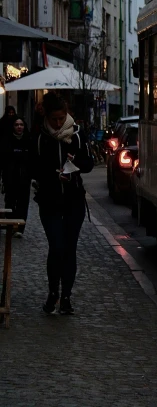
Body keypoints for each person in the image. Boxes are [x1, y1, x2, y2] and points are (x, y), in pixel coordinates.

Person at [31, 92, 94, 316]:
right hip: (49, 201)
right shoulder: (40, 137)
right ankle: (52, 292)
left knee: (69, 249)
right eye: (54, 119)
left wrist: (73, 164)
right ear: (46, 117)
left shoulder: (76, 135)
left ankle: (66, 296)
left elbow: (89, 163)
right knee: (56, 247)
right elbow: (34, 168)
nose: (58, 123)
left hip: (73, 201)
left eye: (62, 118)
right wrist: (52, 176)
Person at [2, 118, 32, 237]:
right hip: (10, 178)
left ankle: (19, 228)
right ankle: (11, 226)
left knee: (23, 203)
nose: (19, 127)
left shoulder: (28, 140)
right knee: (10, 202)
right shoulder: (7, 141)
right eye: (16, 125)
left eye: (21, 125)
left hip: (24, 178)